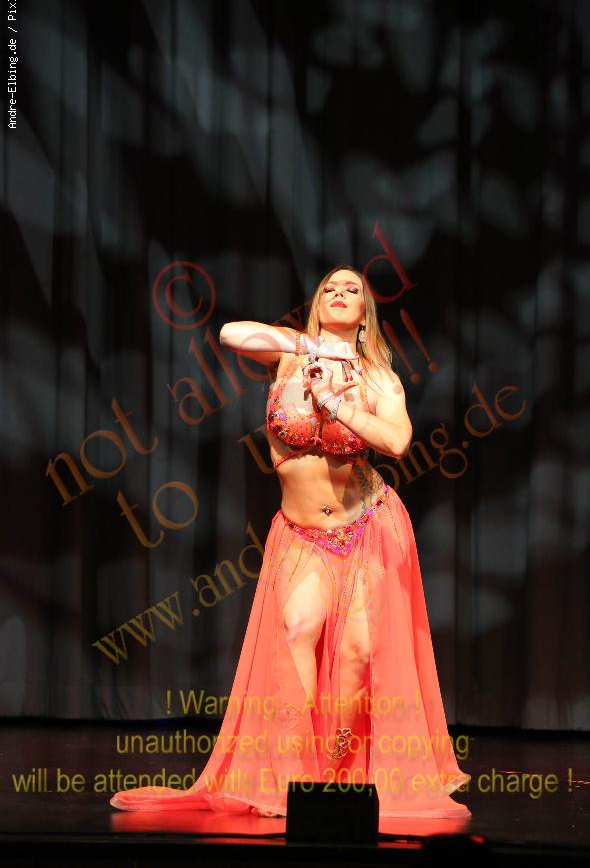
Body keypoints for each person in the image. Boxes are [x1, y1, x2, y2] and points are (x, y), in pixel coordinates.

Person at [110, 265, 470, 819]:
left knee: (358, 655)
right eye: (331, 288)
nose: (340, 293)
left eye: (353, 289)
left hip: (366, 526)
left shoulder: (378, 378)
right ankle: (294, 777)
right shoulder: (289, 355)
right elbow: (230, 333)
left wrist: (336, 403)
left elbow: (398, 441)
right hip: (302, 533)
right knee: (298, 628)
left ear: (366, 314)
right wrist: (311, 348)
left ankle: (336, 777)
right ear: (318, 303)